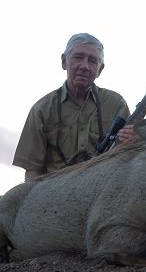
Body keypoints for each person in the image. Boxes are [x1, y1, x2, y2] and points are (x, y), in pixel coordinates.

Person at [13, 33, 134, 181]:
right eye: (78, 57)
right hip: (54, 195)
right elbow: (32, 171)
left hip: (101, 190)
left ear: (100, 69)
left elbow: (129, 159)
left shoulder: (116, 104)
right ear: (64, 61)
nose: (84, 66)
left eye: (92, 61)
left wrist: (132, 141)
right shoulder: (41, 109)